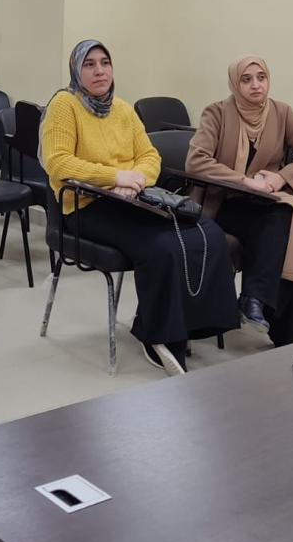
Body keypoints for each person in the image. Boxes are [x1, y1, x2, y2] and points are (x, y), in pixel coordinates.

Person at [40, 39, 238, 376]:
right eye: (89, 64)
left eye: (105, 62)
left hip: (130, 197)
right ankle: (159, 338)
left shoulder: (122, 108)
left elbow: (150, 155)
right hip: (85, 206)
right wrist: (114, 176)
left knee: (207, 231)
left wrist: (136, 180)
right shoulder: (64, 104)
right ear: (76, 70)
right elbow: (59, 163)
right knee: (162, 246)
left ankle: (193, 325)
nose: (99, 71)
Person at [186, 55, 293, 347]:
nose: (255, 85)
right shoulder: (217, 113)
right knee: (282, 224)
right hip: (224, 203)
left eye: (261, 77)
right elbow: (196, 161)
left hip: (265, 203)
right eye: (246, 79)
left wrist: (281, 177)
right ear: (234, 84)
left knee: (282, 220)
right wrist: (243, 181)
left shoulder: (281, 112)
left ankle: (255, 300)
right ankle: (288, 331)